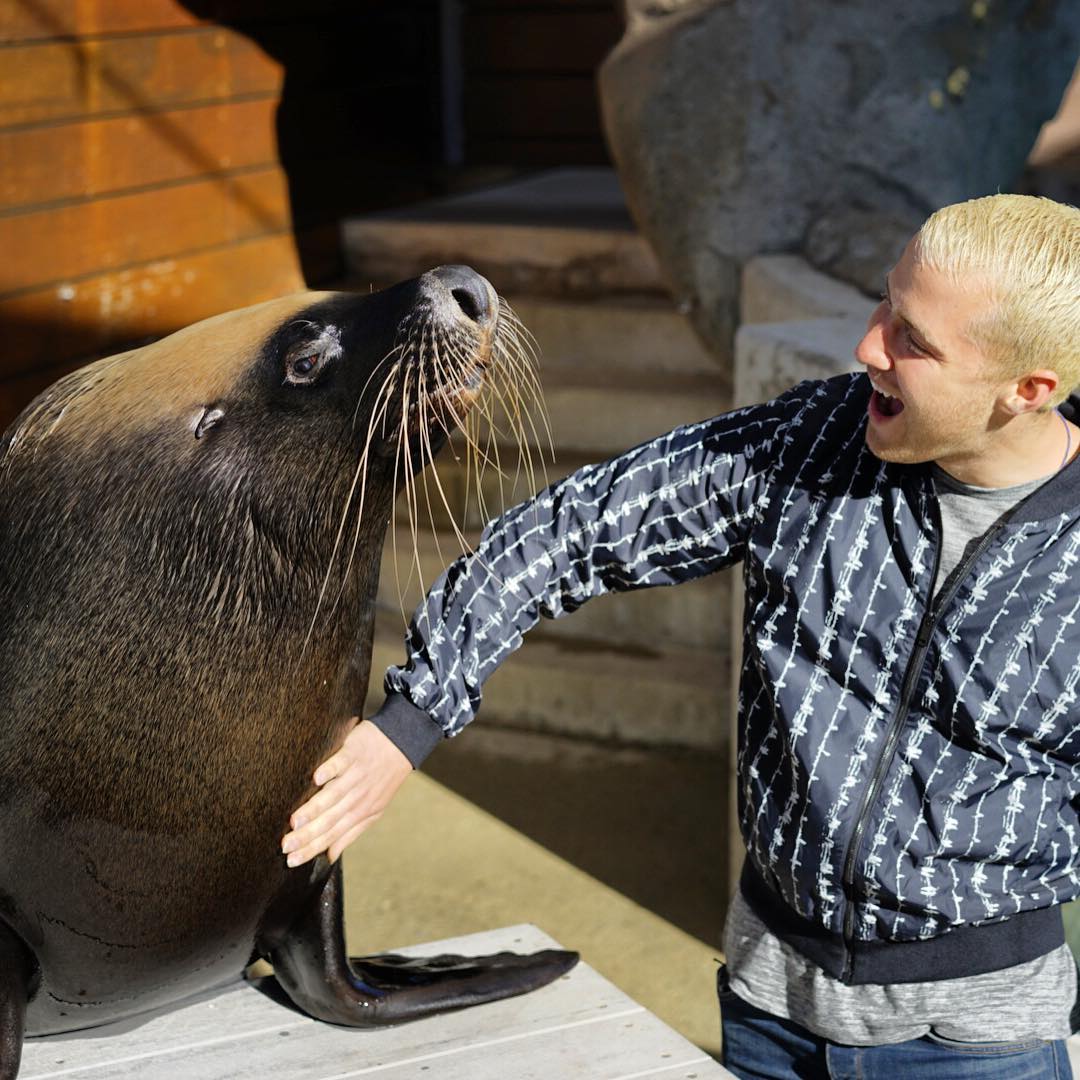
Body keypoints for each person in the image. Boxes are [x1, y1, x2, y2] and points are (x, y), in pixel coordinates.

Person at [281, 193, 1080, 1077]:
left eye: (913, 341)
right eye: (886, 303)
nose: (869, 345)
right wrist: (409, 724)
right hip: (770, 1015)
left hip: (976, 1046)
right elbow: (572, 532)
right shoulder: (813, 443)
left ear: (1028, 390)